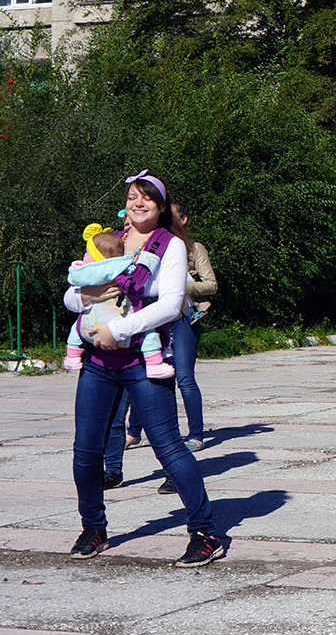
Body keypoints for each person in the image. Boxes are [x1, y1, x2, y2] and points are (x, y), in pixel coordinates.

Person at [65, 171, 224, 567]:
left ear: (161, 206)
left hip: (145, 362)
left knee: (168, 448)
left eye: (147, 198)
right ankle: (93, 527)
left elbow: (170, 305)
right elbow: (73, 291)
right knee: (86, 451)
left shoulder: (169, 246)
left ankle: (205, 533)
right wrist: (87, 295)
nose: (139, 203)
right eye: (133, 196)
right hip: (99, 364)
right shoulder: (109, 241)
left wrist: (116, 328)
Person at [121, 200, 218, 469]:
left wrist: (184, 286)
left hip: (183, 319)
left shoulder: (192, 249)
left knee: (184, 378)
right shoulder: (147, 243)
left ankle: (196, 436)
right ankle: (132, 432)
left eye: (172, 217)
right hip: (150, 319)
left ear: (183, 219)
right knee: (141, 375)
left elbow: (211, 285)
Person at [63, 224, 173, 379]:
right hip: (127, 332)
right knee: (149, 334)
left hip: (90, 329)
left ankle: (73, 355)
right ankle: (154, 364)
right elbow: (69, 300)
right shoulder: (123, 265)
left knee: (77, 327)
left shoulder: (83, 272)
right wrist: (150, 258)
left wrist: (86, 294)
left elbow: (71, 289)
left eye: (87, 253)